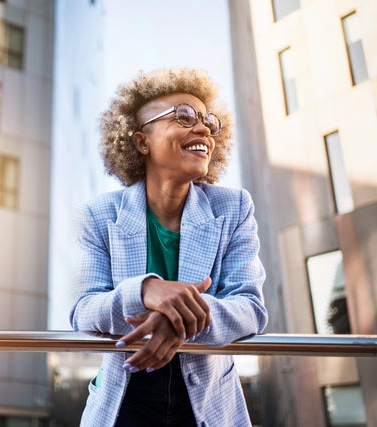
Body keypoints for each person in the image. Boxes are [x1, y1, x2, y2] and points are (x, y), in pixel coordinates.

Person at [69, 67, 268, 427]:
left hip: (208, 405)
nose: (204, 128)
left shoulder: (235, 207)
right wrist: (146, 290)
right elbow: (83, 310)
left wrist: (180, 317)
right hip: (124, 403)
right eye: (184, 117)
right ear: (142, 142)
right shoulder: (99, 215)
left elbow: (251, 308)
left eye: (208, 120)